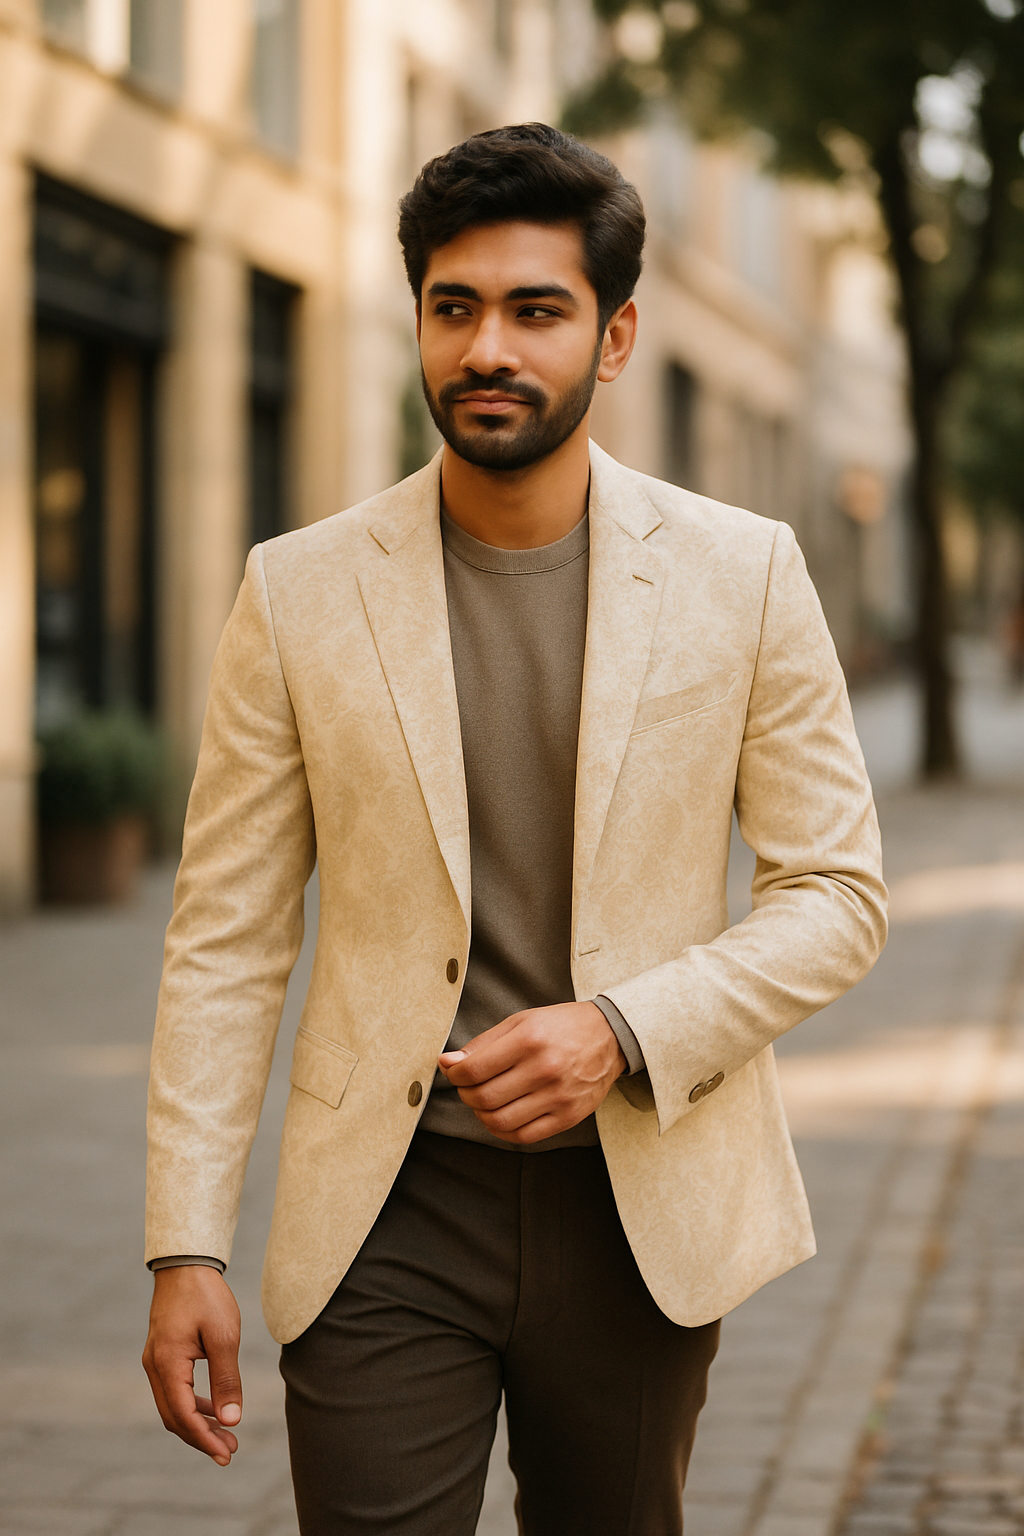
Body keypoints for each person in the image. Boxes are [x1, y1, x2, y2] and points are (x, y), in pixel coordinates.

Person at [142, 123, 887, 1535]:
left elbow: (836, 893)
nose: (490, 347)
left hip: (641, 1205)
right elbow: (227, 936)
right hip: (384, 1211)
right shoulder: (295, 592)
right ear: (418, 320)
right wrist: (184, 1243)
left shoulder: (746, 575)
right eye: (454, 307)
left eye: (537, 311)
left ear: (613, 340)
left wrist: (622, 1023)